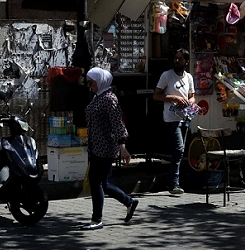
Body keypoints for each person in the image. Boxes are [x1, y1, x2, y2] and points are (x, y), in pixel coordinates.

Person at [82, 67, 139, 230]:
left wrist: (123, 147)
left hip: (105, 147)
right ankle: (129, 201)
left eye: (91, 82)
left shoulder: (109, 99)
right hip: (96, 146)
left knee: (95, 182)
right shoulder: (98, 97)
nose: (89, 86)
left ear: (100, 81)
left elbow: (118, 124)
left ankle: (96, 219)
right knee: (104, 183)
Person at [153, 48, 195, 195]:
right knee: (179, 149)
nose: (177, 61)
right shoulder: (167, 76)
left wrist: (189, 102)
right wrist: (173, 98)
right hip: (171, 118)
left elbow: (192, 96)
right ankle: (173, 182)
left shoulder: (188, 77)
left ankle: (176, 179)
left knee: (181, 150)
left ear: (186, 61)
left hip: (185, 117)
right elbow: (156, 96)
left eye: (181, 59)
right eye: (176, 58)